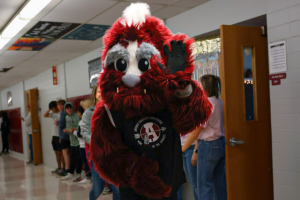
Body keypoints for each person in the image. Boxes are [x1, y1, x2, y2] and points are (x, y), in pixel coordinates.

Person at [90, 3, 212, 200]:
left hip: (169, 185)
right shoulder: (110, 110)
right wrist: (136, 171)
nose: (132, 76)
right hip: (133, 190)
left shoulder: (167, 99)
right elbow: (104, 155)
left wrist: (182, 86)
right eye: (122, 64)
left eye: (143, 64)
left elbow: (193, 118)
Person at [182, 75, 227, 200]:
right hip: (220, 143)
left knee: (204, 185)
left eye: (201, 85)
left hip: (208, 146)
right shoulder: (219, 102)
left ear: (205, 87)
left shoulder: (206, 105)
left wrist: (183, 149)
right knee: (220, 183)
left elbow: (196, 132)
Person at [81, 83, 120, 200]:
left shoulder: (115, 110)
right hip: (98, 156)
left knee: (117, 189)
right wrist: (98, 143)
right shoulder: (89, 112)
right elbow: (85, 131)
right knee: (97, 190)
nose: (101, 94)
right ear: (94, 94)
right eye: (99, 91)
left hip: (115, 156)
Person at [44, 101, 65, 175]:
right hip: (54, 135)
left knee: (61, 153)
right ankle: (59, 167)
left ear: (56, 107)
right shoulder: (53, 113)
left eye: (52, 108)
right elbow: (45, 115)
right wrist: (50, 109)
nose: (52, 110)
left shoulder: (61, 113)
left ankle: (63, 168)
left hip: (59, 135)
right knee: (56, 152)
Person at [61, 102, 81, 181]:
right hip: (72, 141)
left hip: (78, 141)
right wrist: (67, 130)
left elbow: (79, 127)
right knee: (72, 157)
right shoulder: (66, 117)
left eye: (70, 108)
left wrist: (74, 129)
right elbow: (68, 127)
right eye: (67, 109)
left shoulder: (76, 116)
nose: (69, 110)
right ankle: (71, 173)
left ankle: (78, 173)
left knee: (78, 158)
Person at [72, 105, 91, 183]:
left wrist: (73, 132)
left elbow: (80, 134)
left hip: (83, 145)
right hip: (86, 144)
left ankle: (88, 177)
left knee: (86, 161)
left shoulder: (82, 121)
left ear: (79, 112)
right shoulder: (86, 120)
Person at [177, 134, 198, 200]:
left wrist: (195, 151)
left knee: (196, 183)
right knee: (193, 183)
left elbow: (198, 132)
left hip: (191, 147)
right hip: (182, 147)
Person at [55, 99, 69, 176]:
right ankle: (68, 169)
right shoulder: (63, 112)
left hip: (64, 135)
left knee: (65, 153)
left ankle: (67, 169)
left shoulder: (63, 113)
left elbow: (62, 124)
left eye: (61, 105)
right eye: (58, 105)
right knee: (66, 153)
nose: (60, 107)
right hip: (63, 135)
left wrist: (56, 122)